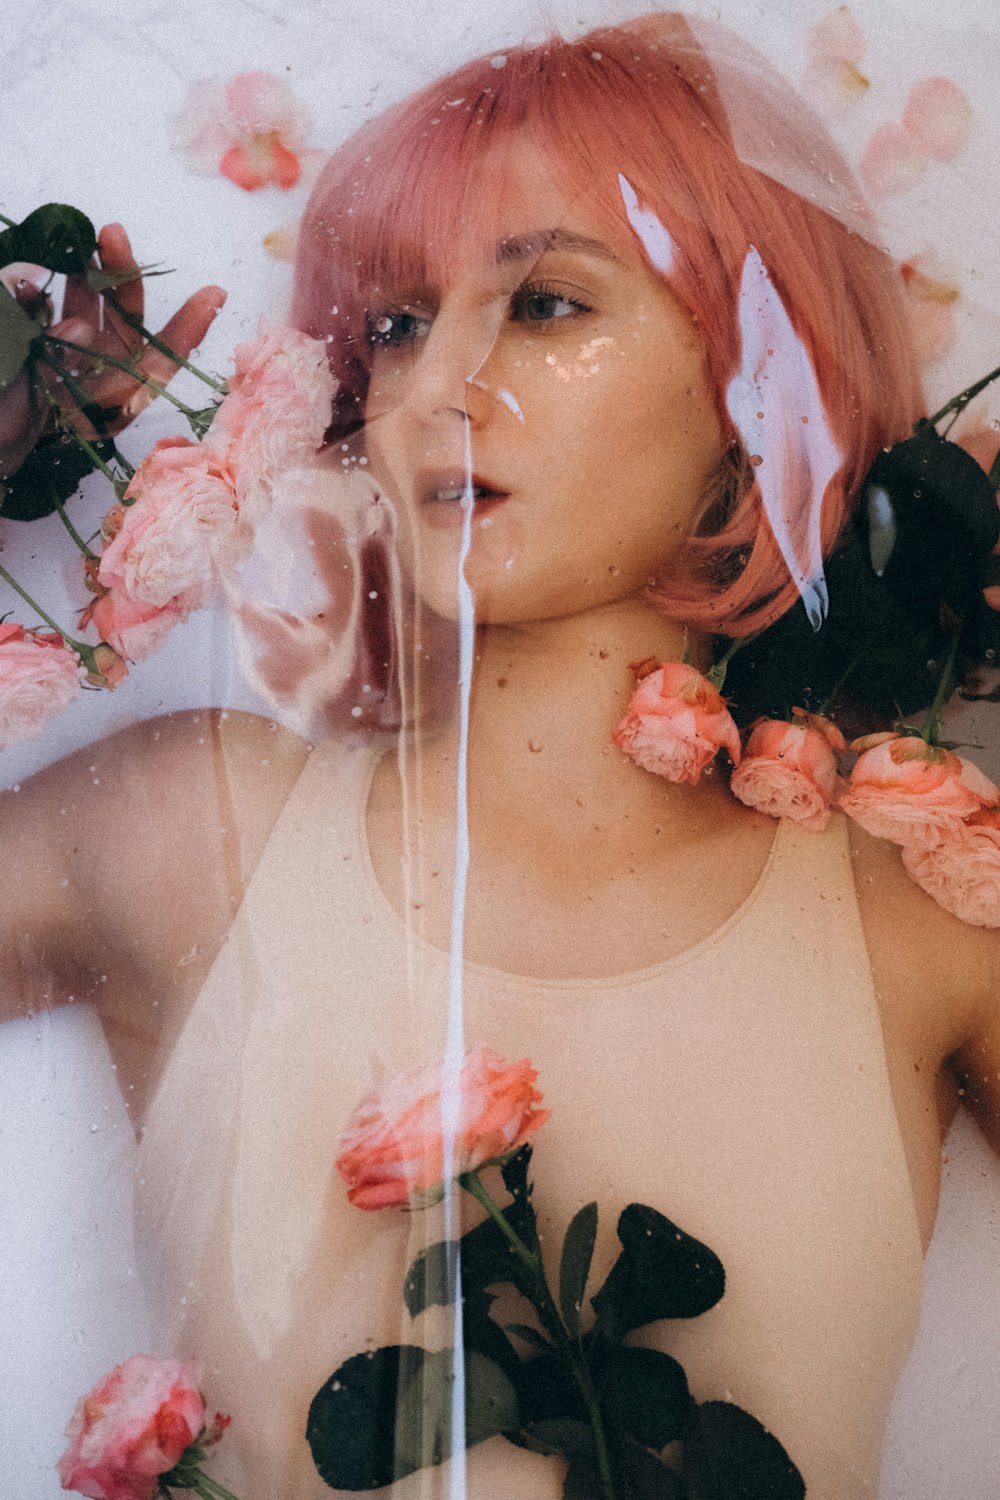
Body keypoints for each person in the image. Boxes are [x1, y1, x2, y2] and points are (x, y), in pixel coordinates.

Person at [3, 11, 1000, 1499]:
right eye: (396, 324)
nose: (432, 386)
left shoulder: (925, 905)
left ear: (762, 387)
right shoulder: (179, 823)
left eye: (543, 304)